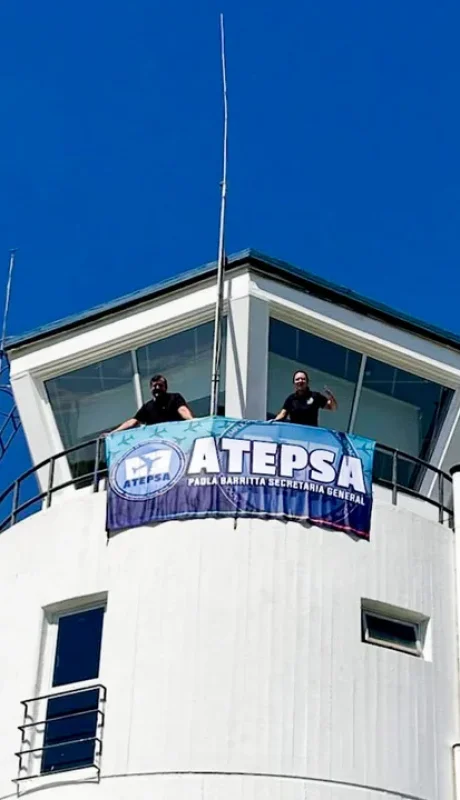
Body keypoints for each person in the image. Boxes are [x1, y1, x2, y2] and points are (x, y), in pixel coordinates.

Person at [114, 374, 193, 431]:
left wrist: (192, 421)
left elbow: (182, 410)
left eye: (160, 385)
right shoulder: (147, 407)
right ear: (150, 389)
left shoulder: (175, 397)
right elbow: (133, 421)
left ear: (165, 387)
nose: (157, 388)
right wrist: (114, 433)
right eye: (155, 386)